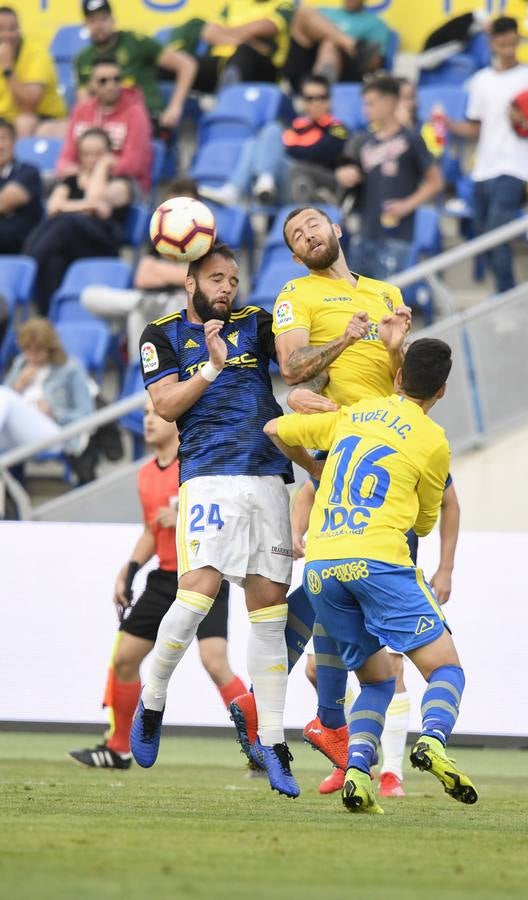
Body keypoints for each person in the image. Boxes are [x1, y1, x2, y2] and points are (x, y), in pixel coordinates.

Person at [129, 242, 323, 798]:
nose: (226, 288)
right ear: (190, 281)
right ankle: (154, 699)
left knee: (268, 610)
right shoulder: (161, 334)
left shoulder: (256, 323)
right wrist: (212, 369)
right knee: (197, 594)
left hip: (267, 478)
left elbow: (291, 367)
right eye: (215, 278)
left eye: (233, 279)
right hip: (209, 476)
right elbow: (166, 406)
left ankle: (274, 742)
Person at [228, 205, 414, 782]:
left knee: (339, 607)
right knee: (344, 598)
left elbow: (407, 388)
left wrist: (393, 345)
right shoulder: (296, 294)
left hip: (389, 452)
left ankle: (304, 722)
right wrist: (347, 340)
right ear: (293, 254)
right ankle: (319, 727)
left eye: (314, 225)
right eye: (295, 235)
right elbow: (293, 368)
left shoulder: (387, 292)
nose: (307, 235)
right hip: (340, 452)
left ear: (337, 230)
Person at [263, 338, 478, 815]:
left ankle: (358, 771)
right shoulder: (433, 440)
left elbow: (275, 427)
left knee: (377, 681)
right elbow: (423, 522)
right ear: (441, 392)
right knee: (445, 668)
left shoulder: (356, 413)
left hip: (323, 567)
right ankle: (434, 742)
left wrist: (317, 467)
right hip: (379, 560)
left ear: (398, 378)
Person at [68, 396, 247, 770]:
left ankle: (262, 746)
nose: (148, 421)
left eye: (155, 414)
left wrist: (181, 512)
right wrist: (129, 570)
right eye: (146, 415)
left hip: (203, 574)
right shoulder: (146, 474)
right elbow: (152, 530)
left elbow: (228, 511)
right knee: (125, 659)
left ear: (175, 421)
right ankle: (118, 749)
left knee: (215, 663)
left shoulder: (196, 463)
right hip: (165, 578)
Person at [292, 475, 461, 798]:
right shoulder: (346, 434)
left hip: (388, 573)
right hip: (338, 570)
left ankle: (391, 772)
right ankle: (353, 755)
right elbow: (310, 489)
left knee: (391, 672)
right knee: (317, 669)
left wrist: (445, 568)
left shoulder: (414, 442)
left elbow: (449, 500)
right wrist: (295, 532)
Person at [446, 16, 528, 294]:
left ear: (518, 40)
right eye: (502, 44)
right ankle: (505, 291)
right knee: (480, 235)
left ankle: (507, 293)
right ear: (491, 44)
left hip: (515, 169)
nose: (508, 49)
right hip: (483, 170)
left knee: (496, 235)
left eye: (512, 43)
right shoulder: (480, 81)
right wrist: (448, 124)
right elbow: (475, 127)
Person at [336, 75, 444, 282]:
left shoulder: (412, 139)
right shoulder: (363, 140)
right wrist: (343, 174)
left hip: (397, 235)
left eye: (371, 103)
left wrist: (407, 205)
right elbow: (346, 172)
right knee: (358, 303)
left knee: (387, 304)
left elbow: (435, 181)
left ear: (390, 102)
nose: (366, 109)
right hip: (365, 233)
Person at [23, 127, 132, 316]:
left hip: (101, 245)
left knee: (65, 222)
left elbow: (95, 198)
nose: (91, 159)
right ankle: (51, 318)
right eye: (86, 154)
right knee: (53, 261)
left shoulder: (120, 183)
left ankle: (26, 268)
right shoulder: (71, 181)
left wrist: (102, 168)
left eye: (98, 154)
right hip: (70, 245)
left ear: (109, 154)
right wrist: (85, 207)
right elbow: (52, 207)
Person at [80, 177, 196, 351]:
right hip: (146, 298)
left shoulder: (207, 238)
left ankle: (140, 372)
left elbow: (193, 280)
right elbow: (141, 279)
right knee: (89, 295)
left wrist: (156, 270)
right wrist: (173, 274)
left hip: (178, 305)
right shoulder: (161, 238)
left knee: (141, 314)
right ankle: (140, 371)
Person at [201, 74, 348, 207]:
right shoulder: (296, 125)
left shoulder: (337, 128)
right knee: (253, 143)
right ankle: (244, 186)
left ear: (329, 100)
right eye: (309, 98)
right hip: (285, 179)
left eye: (321, 97)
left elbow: (320, 153)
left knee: (272, 132)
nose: (315, 103)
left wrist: (284, 149)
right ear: (303, 101)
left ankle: (252, 183)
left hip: (310, 182)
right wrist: (281, 149)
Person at [76, 0, 196, 137]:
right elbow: (83, 102)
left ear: (113, 20)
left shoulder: (135, 42)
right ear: (85, 24)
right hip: (108, 126)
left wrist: (175, 107)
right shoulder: (83, 58)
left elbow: (186, 65)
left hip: (147, 117)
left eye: (103, 19)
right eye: (92, 21)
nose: (99, 26)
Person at [1, 319, 95, 478]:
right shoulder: (21, 363)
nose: (31, 356)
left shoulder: (71, 369)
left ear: (51, 349)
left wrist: (55, 413)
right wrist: (18, 385)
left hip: (55, 432)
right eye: (26, 350)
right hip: (20, 432)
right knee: (5, 393)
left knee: (6, 395)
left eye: (37, 351)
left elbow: (88, 416)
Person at [57, 56, 153, 193]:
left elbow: (132, 165)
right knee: (57, 192)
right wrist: (83, 174)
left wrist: (98, 173)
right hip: (83, 177)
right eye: (103, 81)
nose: (111, 85)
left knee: (103, 194)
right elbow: (65, 160)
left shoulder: (136, 113)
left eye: (116, 79)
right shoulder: (81, 111)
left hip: (123, 181)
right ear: (92, 84)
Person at [166, 0, 294, 93]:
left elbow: (265, 27)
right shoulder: (235, 3)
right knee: (173, 65)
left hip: (263, 67)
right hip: (221, 61)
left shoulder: (284, 4)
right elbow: (209, 32)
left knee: (244, 52)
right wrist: (251, 42)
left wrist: (226, 31)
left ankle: (228, 101)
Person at [284, 1, 387, 92]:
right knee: (303, 11)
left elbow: (375, 63)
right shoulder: (325, 12)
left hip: (345, 75)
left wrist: (337, 43)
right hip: (307, 65)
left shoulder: (376, 24)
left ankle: (318, 92)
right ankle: (352, 45)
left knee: (329, 45)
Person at [0, 5, 66, 137]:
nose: (7, 35)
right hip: (4, 121)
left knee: (24, 122)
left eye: (13, 29)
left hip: (41, 118)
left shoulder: (37, 54)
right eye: (1, 29)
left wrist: (8, 69)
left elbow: (29, 105)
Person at [0, 116, 41, 253]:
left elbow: (4, 203)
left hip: (18, 243)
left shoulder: (28, 171)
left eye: (3, 138)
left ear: (14, 141)